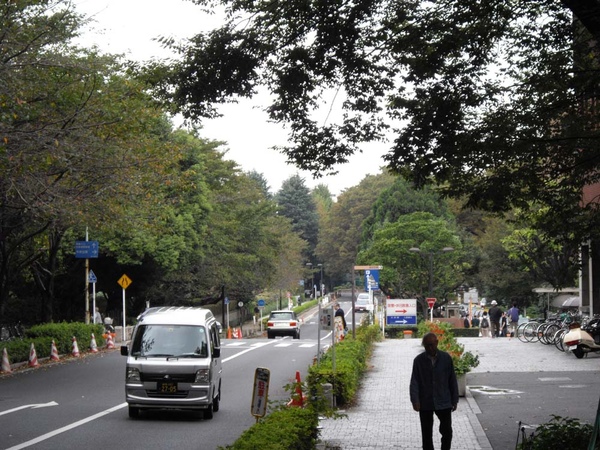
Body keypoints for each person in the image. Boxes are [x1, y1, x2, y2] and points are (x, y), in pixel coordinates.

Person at [410, 332, 459, 450]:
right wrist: (415, 400)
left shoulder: (446, 358)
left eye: (431, 345)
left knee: (447, 431)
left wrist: (454, 399)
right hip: (425, 401)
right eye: (426, 346)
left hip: (444, 400)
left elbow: (452, 379)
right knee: (426, 434)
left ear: (437, 343)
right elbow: (414, 381)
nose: (429, 348)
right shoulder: (419, 360)